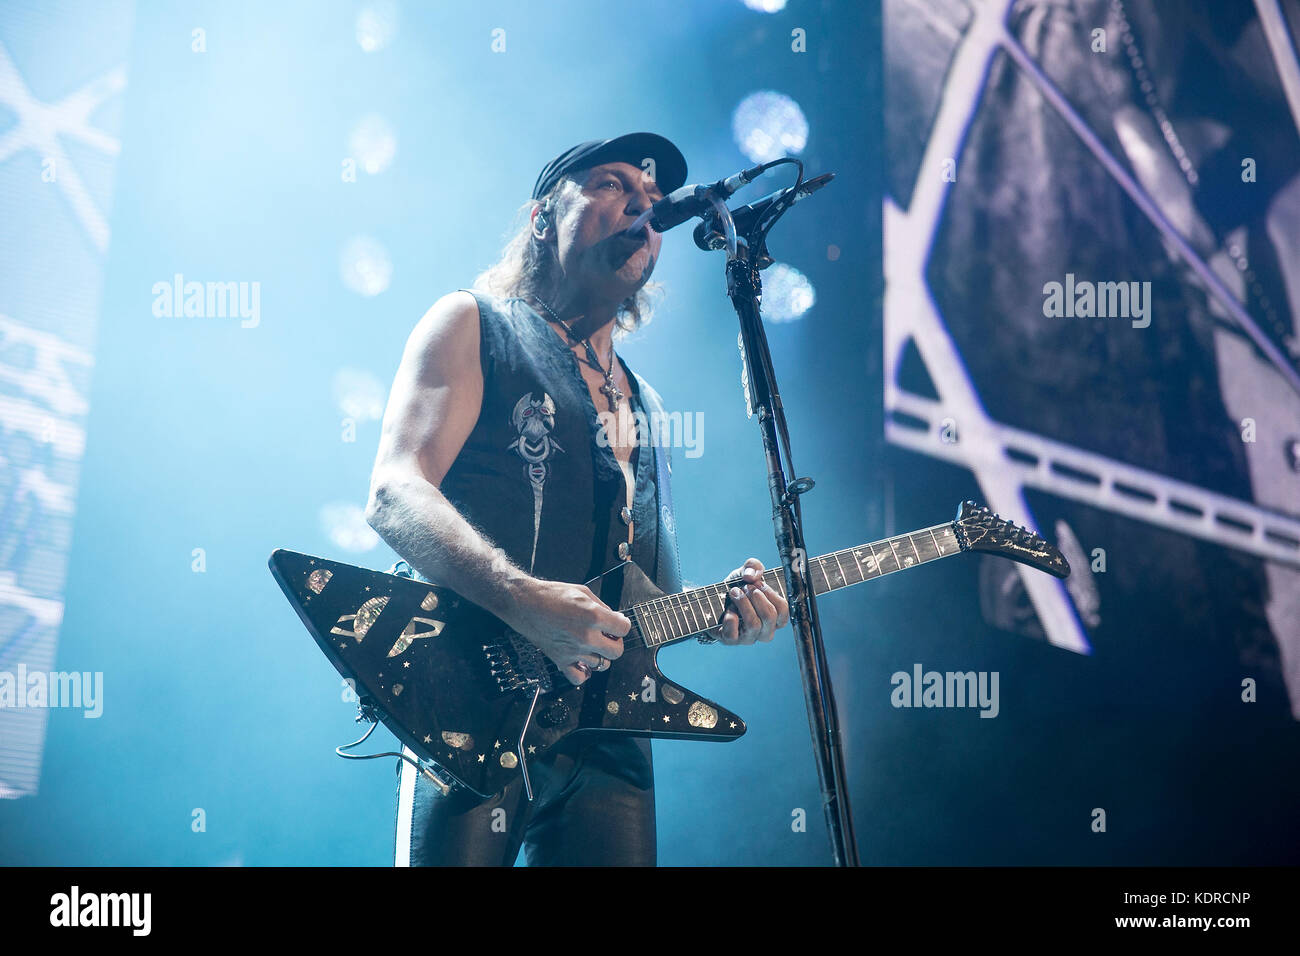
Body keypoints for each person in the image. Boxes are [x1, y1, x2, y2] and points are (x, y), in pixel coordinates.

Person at [364, 132, 790, 866]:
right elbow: (395, 493)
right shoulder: (473, 322)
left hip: (608, 734)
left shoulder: (646, 402)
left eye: (655, 203)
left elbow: (646, 600)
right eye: (614, 183)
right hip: (477, 700)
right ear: (541, 217)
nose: (643, 208)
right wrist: (523, 600)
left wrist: (727, 611)